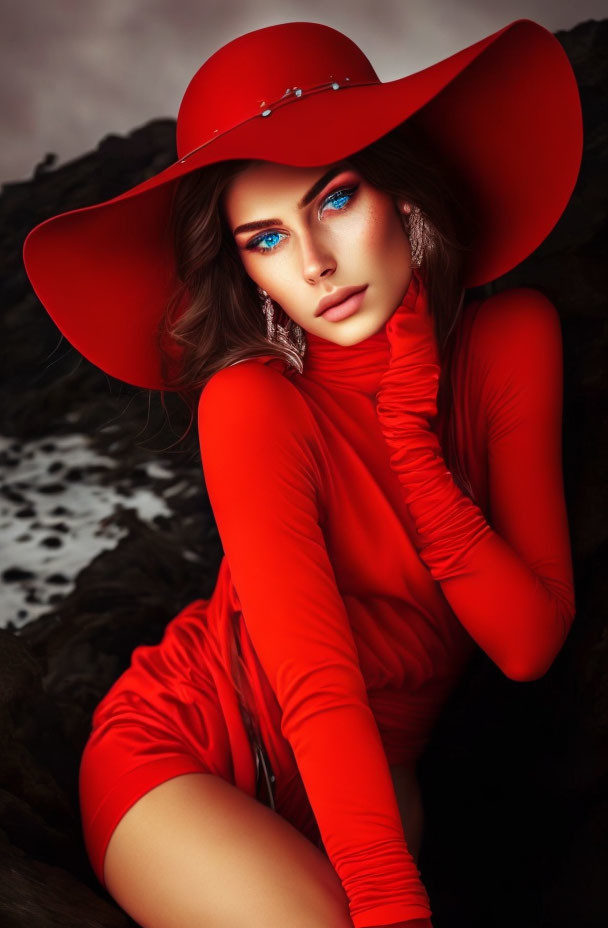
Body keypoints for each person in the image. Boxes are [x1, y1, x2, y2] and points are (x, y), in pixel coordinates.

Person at [21, 18, 582, 928]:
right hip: (184, 755)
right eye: (266, 240)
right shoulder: (252, 402)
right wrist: (395, 906)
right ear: (245, 274)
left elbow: (528, 643)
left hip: (370, 766)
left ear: (400, 190)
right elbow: (315, 684)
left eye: (333, 200)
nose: (316, 266)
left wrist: (412, 444)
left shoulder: (514, 339)